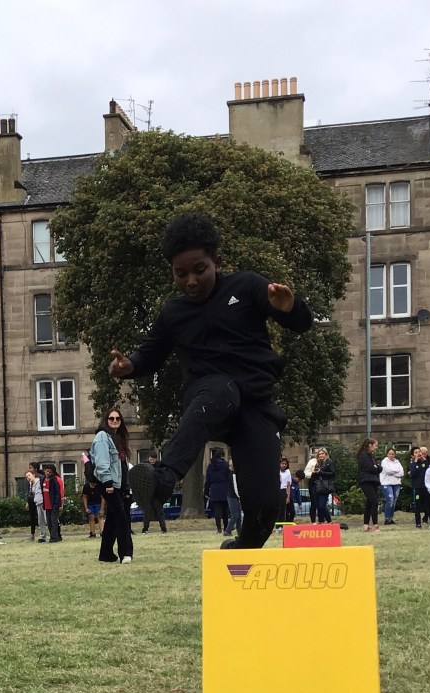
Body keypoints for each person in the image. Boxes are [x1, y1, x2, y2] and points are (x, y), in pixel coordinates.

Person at [108, 213, 313, 551]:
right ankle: (162, 481)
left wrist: (290, 308)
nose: (191, 281)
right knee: (221, 389)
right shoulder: (173, 314)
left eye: (199, 270)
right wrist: (129, 365)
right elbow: (150, 354)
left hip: (255, 405)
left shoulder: (245, 286)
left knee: (265, 507)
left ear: (216, 262)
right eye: (181, 274)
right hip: (208, 397)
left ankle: (243, 549)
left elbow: (301, 323)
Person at [91, 408, 133, 564]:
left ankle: (106, 553)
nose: (115, 421)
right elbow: (102, 462)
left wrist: (126, 487)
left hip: (118, 484)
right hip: (109, 484)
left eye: (117, 418)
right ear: (106, 420)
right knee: (122, 518)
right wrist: (108, 483)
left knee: (113, 519)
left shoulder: (117, 438)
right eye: (111, 418)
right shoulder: (102, 436)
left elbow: (123, 466)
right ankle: (125, 553)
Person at [357, 438, 382, 532]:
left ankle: (366, 525)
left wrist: (377, 467)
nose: (376, 447)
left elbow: (379, 468)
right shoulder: (363, 455)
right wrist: (376, 467)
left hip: (373, 481)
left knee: (369, 503)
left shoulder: (371, 456)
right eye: (376, 445)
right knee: (374, 502)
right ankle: (375, 524)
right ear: (370, 445)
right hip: (366, 481)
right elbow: (371, 468)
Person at [205, 448, 232, 535]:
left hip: (214, 489)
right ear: (222, 455)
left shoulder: (210, 466)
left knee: (217, 510)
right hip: (225, 489)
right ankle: (226, 527)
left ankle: (219, 528)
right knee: (225, 510)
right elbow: (229, 477)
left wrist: (206, 491)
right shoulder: (225, 465)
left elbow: (208, 480)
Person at [140, 452, 166, 533]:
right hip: (147, 491)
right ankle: (145, 528)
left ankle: (163, 528)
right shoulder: (144, 465)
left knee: (159, 511)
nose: (152, 461)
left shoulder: (159, 466)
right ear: (149, 458)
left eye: (154, 459)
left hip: (156, 492)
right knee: (147, 511)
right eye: (151, 459)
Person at [309, 448, 335, 524]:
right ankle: (321, 521)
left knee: (321, 505)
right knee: (317, 505)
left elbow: (332, 473)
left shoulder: (329, 462)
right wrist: (314, 473)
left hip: (325, 486)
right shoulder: (318, 463)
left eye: (322, 454)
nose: (321, 455)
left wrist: (321, 472)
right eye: (319, 454)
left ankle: (329, 521)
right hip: (316, 485)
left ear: (326, 454)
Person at [379, 448, 404, 526]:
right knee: (390, 499)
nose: (391, 455)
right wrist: (396, 471)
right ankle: (387, 519)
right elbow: (387, 471)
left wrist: (393, 472)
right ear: (387, 454)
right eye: (390, 454)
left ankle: (391, 519)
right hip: (386, 483)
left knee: (394, 501)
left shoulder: (397, 462)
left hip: (396, 483)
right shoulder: (384, 462)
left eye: (393, 454)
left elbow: (401, 473)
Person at [41, 465, 64, 544]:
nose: (48, 473)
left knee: (54, 521)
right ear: (44, 471)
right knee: (49, 521)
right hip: (46, 505)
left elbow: (58, 493)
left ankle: (54, 537)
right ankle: (53, 536)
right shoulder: (43, 480)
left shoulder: (54, 480)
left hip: (53, 504)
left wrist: (57, 504)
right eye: (47, 471)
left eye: (50, 472)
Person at [408, 447, 429, 529]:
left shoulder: (424, 462)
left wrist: (424, 460)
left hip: (425, 487)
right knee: (417, 506)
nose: (418, 453)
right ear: (412, 455)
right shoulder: (412, 464)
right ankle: (418, 523)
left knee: (428, 504)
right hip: (417, 488)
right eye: (416, 452)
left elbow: (428, 470)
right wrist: (415, 461)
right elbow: (413, 473)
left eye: (419, 452)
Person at [224, 458, 242, 537]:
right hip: (233, 496)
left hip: (234, 496)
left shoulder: (232, 473)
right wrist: (239, 495)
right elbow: (235, 487)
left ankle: (239, 531)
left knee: (239, 516)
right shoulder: (233, 474)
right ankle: (227, 531)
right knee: (235, 515)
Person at [29, 469, 48, 542]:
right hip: (37, 503)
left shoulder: (39, 482)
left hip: (43, 502)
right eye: (26, 477)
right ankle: (43, 536)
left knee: (46, 519)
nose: (28, 478)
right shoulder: (32, 485)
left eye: (29, 475)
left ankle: (53, 535)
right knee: (40, 521)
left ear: (33, 475)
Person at [277, 457, 293, 525]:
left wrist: (288, 497)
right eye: (282, 463)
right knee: (277, 509)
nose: (284, 465)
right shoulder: (277, 471)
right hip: (277, 490)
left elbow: (288, 485)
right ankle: (276, 525)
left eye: (285, 464)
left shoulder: (288, 472)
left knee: (283, 509)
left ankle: (281, 525)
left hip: (283, 491)